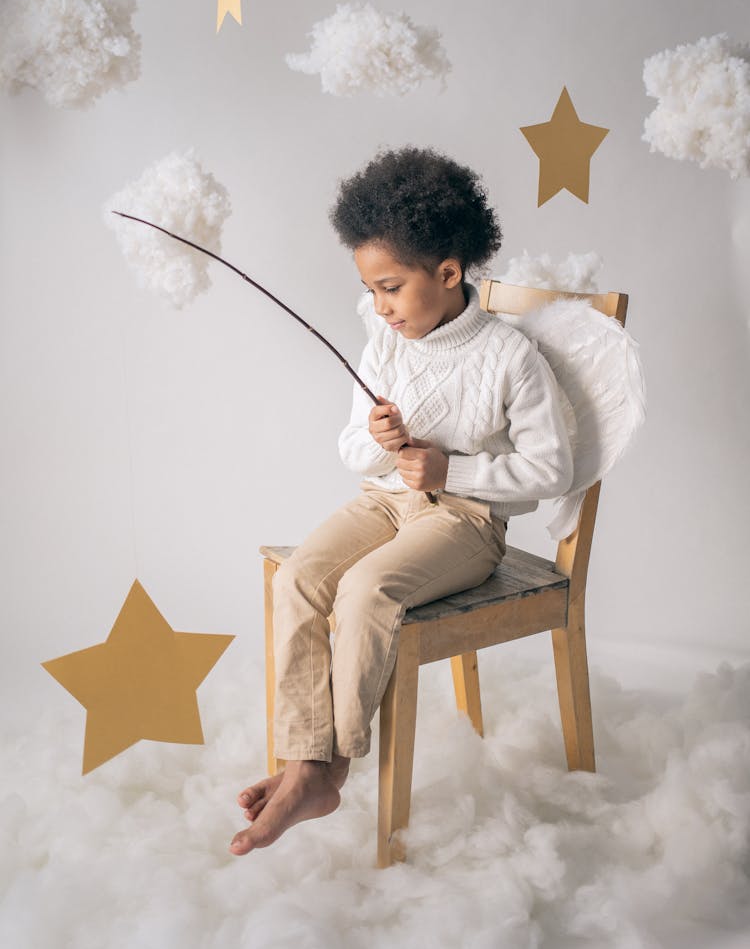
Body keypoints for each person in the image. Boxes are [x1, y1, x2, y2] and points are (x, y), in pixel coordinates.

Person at [230, 145, 574, 855]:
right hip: (385, 501)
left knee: (364, 590)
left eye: (390, 287)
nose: (379, 307)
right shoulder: (383, 340)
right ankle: (304, 757)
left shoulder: (510, 356)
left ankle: (329, 768)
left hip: (464, 522)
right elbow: (352, 450)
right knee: (299, 577)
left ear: (447, 273)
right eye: (371, 289)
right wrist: (383, 440)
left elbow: (551, 468)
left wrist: (453, 470)